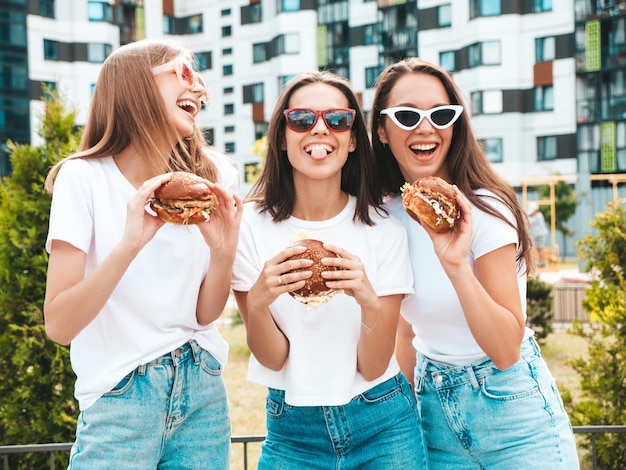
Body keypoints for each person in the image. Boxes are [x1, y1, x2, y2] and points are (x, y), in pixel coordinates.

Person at [371, 57, 579, 469]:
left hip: (513, 417)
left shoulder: (484, 209)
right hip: (435, 416)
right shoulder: (385, 216)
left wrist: (455, 265)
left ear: (456, 125)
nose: (425, 127)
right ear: (381, 129)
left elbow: (505, 350)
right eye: (408, 115)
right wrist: (408, 415)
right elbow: (409, 330)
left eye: (441, 114)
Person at [43, 39, 242, 469]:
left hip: (202, 387)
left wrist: (222, 253)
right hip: (121, 396)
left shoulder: (216, 177)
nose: (199, 86)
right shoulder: (83, 178)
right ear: (134, 85)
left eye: (198, 75)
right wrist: (130, 244)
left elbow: (204, 315)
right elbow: (59, 323)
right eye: (182, 73)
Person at [231, 71, 428, 469]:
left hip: (383, 424)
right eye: (302, 119)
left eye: (337, 120)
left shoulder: (383, 230)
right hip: (293, 434)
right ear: (282, 137)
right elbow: (273, 359)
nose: (320, 129)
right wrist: (258, 302)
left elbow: (373, 366)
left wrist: (369, 302)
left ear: (353, 139)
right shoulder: (248, 227)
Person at [527, 202, 549, 267]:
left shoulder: (538, 216)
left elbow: (530, 222)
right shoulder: (535, 216)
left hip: (540, 235)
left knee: (540, 249)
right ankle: (540, 262)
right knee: (538, 249)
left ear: (536, 210)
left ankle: (542, 262)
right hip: (537, 235)